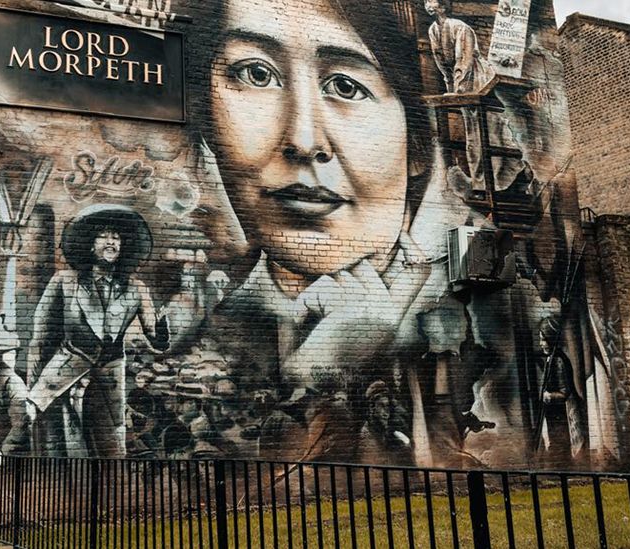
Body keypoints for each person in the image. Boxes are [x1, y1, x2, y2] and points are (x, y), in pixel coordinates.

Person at [191, 0, 447, 463]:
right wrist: (319, 368)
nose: (304, 141)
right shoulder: (201, 338)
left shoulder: (491, 314)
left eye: (347, 86)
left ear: (419, 145)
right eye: (255, 74)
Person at [28, 204, 170, 458]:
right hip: (68, 364)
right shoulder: (65, 281)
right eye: (104, 236)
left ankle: (107, 484)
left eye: (116, 238)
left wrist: (163, 326)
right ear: (90, 243)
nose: (111, 242)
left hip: (110, 370)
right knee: (52, 423)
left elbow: (156, 338)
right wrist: (35, 378)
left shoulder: (136, 289)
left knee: (112, 438)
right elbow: (41, 334)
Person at [425, 0, 496, 188]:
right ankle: (479, 182)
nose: (427, 4)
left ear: (442, 6)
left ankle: (485, 182)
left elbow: (463, 60)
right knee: (471, 134)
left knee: (481, 132)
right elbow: (440, 60)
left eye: (431, 0)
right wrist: (450, 87)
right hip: (460, 81)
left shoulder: (460, 27)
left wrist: (459, 90)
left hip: (477, 77)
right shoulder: (433, 30)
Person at [537, 317, 584, 467]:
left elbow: (564, 393)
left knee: (560, 448)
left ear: (551, 338)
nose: (541, 343)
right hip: (554, 416)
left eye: (543, 339)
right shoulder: (551, 359)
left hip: (560, 416)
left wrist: (548, 396)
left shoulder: (558, 361)